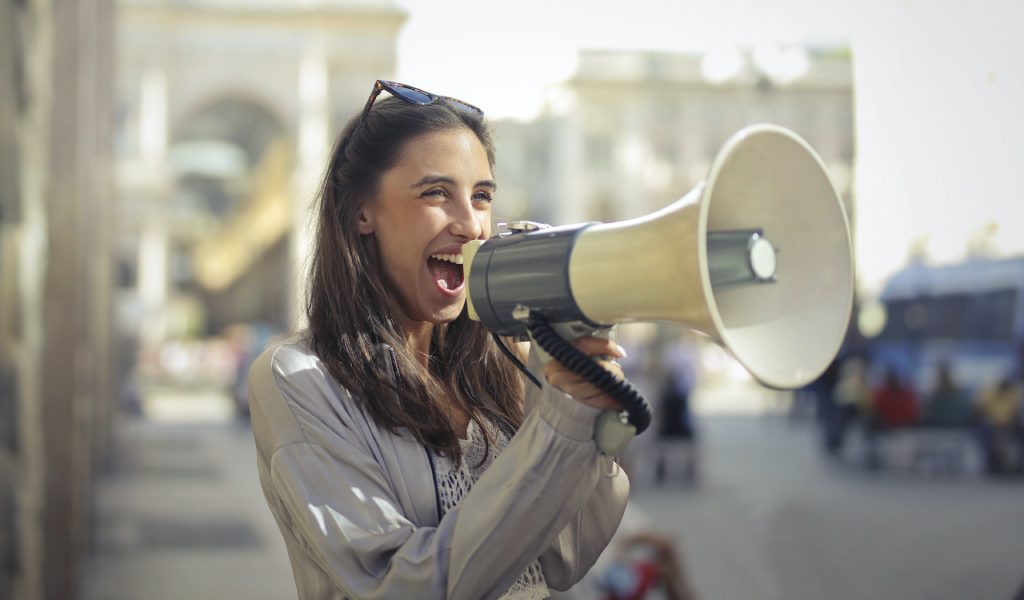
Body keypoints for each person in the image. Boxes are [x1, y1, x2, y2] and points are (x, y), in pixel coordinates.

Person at [247, 80, 630, 599]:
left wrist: (585, 418)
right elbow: (401, 586)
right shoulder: (298, 378)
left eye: (481, 197)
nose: (472, 225)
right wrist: (556, 432)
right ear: (362, 212)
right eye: (436, 193)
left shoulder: (507, 361)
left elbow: (566, 557)